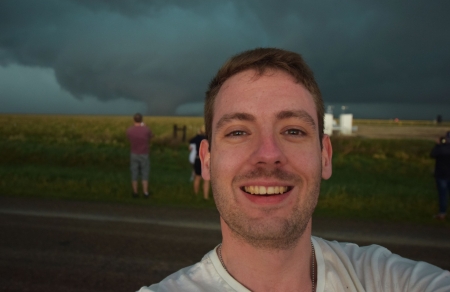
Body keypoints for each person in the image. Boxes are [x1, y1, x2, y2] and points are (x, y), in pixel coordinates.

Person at [138, 48, 450, 291]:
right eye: (237, 132)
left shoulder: (385, 281)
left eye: (293, 131)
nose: (268, 155)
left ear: (325, 156)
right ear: (206, 161)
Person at [126, 113, 153, 198]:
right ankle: (145, 193)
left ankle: (135, 193)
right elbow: (151, 136)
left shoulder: (129, 130)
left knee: (134, 172)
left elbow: (129, 138)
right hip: (144, 153)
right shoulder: (146, 129)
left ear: (133, 120)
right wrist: (145, 127)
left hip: (134, 153)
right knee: (145, 172)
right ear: (142, 119)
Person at [430, 134, 450, 220]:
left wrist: (438, 145)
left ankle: (442, 213)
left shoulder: (441, 148)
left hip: (441, 174)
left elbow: (432, 155)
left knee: (443, 195)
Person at [188, 126, 210, 199]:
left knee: (197, 177)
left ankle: (196, 195)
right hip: (205, 160)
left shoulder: (196, 138)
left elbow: (190, 146)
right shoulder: (208, 139)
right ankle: (205, 197)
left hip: (197, 159)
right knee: (206, 180)